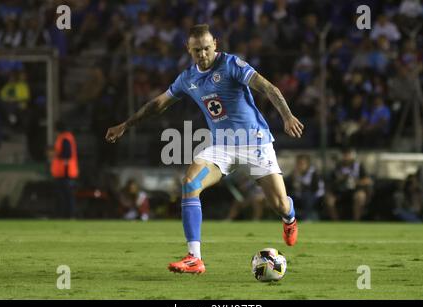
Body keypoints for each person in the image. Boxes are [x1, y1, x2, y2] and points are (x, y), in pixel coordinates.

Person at [105, 24, 304, 274]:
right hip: (221, 147)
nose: (203, 54)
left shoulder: (232, 65)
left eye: (207, 48)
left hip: (254, 142)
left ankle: (290, 217)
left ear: (215, 45)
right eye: (197, 50)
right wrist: (125, 124)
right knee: (190, 183)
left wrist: (287, 116)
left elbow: (268, 88)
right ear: (188, 49)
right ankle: (194, 258)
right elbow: (158, 104)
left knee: (280, 205)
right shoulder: (188, 78)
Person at [325, 147, 373, 221]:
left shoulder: (358, 166)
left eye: (348, 154)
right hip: (340, 191)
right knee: (329, 198)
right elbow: (332, 181)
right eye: (345, 154)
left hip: (355, 190)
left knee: (360, 196)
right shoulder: (338, 166)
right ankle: (336, 222)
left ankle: (356, 220)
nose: (346, 156)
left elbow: (368, 180)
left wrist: (355, 182)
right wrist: (339, 179)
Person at [50, 121, 79, 218]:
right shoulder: (66, 137)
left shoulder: (64, 138)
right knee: (66, 196)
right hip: (64, 173)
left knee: (65, 196)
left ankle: (67, 216)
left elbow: (67, 154)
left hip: (65, 173)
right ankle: (67, 215)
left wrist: (55, 154)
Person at [284, 154, 324, 221]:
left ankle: (306, 218)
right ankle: (288, 218)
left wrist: (301, 185)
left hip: (316, 197)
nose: (300, 166)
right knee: (287, 198)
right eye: (298, 164)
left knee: (307, 196)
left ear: (307, 164)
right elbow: (288, 186)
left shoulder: (314, 174)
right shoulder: (294, 174)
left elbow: (315, 188)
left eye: (302, 164)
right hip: (299, 196)